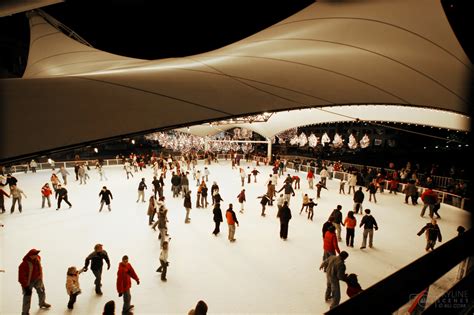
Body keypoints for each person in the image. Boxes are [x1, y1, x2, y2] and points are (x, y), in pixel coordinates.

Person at [18, 249, 51, 314]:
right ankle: (25, 312)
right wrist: (25, 286)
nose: (36, 256)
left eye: (36, 254)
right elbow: (21, 277)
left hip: (37, 279)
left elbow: (39, 268)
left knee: (41, 291)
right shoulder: (24, 264)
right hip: (28, 282)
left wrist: (40, 277)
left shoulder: (38, 258)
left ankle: (42, 303)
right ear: (30, 255)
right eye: (34, 255)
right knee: (27, 297)